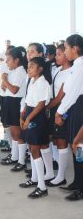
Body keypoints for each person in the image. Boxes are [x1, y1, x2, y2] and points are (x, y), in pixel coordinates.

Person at [55, 34, 83, 201]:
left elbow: (71, 93)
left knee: (79, 146)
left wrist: (59, 112)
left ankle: (81, 188)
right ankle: (77, 182)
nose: (65, 52)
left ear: (75, 48)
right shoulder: (77, 65)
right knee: (76, 145)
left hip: (79, 106)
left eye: (66, 48)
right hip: (75, 107)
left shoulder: (80, 66)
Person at [19, 57, 51, 199]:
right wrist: (23, 115)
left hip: (36, 116)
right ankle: (35, 178)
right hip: (30, 113)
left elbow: (40, 105)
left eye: (32, 66)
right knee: (33, 147)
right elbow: (28, 100)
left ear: (40, 69)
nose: (29, 68)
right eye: (28, 66)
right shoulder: (32, 81)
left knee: (35, 148)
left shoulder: (43, 83)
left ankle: (42, 187)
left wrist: (29, 119)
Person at [46, 44, 71, 187]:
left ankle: (61, 176)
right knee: (55, 139)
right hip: (54, 106)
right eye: (56, 54)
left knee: (62, 141)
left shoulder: (70, 73)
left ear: (67, 55)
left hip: (63, 108)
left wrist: (45, 106)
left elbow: (61, 96)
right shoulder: (57, 70)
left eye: (59, 54)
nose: (56, 57)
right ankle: (57, 170)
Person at [0, 47, 28, 173]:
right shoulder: (13, 71)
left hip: (16, 102)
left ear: (17, 60)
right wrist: (5, 81)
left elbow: (14, 89)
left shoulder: (20, 72)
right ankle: (15, 156)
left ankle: (21, 161)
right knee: (13, 133)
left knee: (18, 134)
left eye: (9, 60)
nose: (7, 62)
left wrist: (4, 80)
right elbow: (6, 89)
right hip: (10, 101)